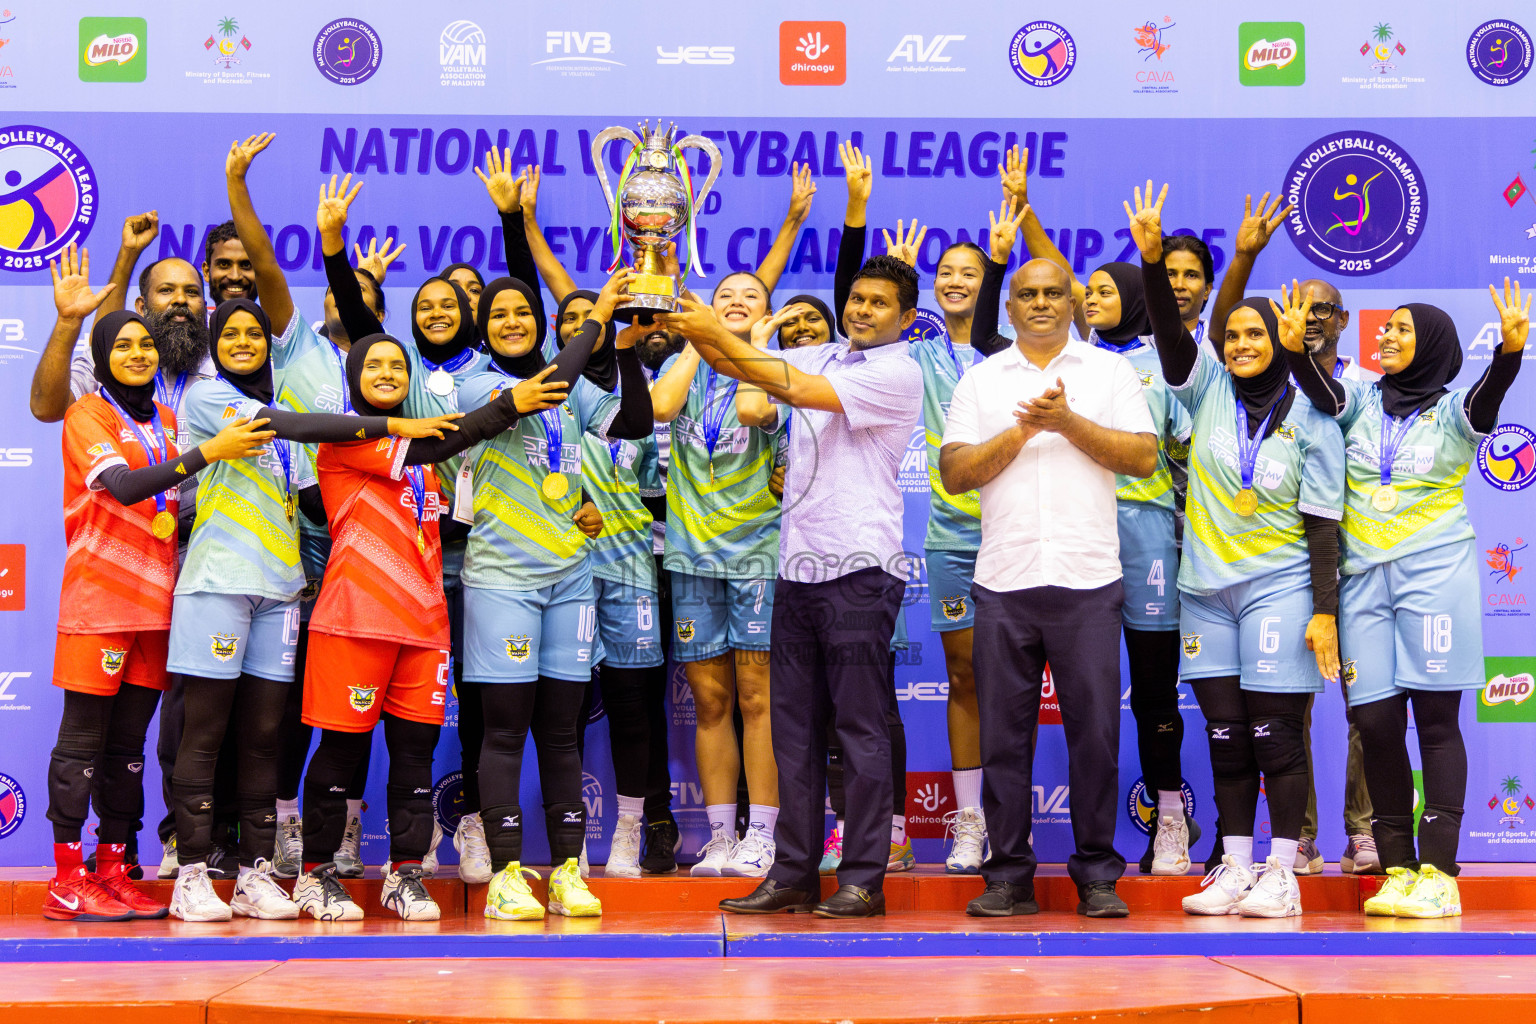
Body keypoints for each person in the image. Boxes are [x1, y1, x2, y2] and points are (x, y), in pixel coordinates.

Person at [165, 298, 460, 923]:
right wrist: (397, 428)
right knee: (220, 734)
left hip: (317, 595)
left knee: (280, 740)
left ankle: (276, 874)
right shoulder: (223, 404)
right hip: (264, 592)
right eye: (232, 333)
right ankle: (210, 872)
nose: (245, 341)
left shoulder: (399, 452)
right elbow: (303, 430)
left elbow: (320, 505)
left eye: (254, 333)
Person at [658, 253, 922, 919]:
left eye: (877, 303)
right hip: (795, 568)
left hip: (862, 571)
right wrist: (704, 330)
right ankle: (793, 873)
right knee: (793, 732)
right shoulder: (828, 355)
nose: (861, 310)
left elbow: (794, 391)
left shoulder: (898, 371)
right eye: (856, 298)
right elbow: (741, 370)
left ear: (907, 319)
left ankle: (862, 879)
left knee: (860, 731)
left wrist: (710, 327)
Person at [1128, 182, 1345, 920]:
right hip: (1204, 590)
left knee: (1274, 730)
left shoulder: (1315, 414)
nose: (1243, 344)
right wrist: (1153, 264)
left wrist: (1324, 612)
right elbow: (1169, 333)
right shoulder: (1205, 391)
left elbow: (1323, 526)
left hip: (1279, 587)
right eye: (1234, 336)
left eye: (1258, 334)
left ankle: (1283, 873)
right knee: (1224, 736)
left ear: (1286, 340)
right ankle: (1235, 868)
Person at [1279, 279, 1527, 918]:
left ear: (1433, 347)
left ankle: (1440, 872)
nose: (1385, 336)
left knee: (1437, 725)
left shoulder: (1450, 414)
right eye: (1384, 327)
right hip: (1364, 588)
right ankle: (1395, 870)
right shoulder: (1359, 397)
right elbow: (1320, 390)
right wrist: (1295, 353)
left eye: (1401, 329)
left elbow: (1485, 400)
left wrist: (1507, 355)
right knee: (1379, 725)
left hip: (1434, 579)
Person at [295, 334, 549, 921]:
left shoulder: (421, 463)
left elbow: (442, 522)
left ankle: (405, 873)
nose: (387, 372)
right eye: (374, 365)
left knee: (415, 754)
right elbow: (444, 442)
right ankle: (315, 873)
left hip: (425, 625)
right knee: (342, 750)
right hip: (356, 621)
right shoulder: (346, 438)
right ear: (354, 376)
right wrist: (510, 404)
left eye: (397, 365)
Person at [228, 143, 428, 881]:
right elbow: (268, 269)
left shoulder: (393, 373)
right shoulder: (301, 348)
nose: (349, 307)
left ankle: (346, 837)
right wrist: (236, 186)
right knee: (292, 699)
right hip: (301, 536)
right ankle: (286, 827)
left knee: (372, 709)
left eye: (367, 299)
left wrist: (350, 263)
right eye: (344, 293)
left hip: (382, 545)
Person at [938, 252, 1157, 919]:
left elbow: (1143, 457)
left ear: (1072, 304)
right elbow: (954, 473)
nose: (1040, 302)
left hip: (1089, 578)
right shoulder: (981, 379)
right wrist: (1026, 428)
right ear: (1009, 308)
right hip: (1004, 580)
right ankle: (1008, 876)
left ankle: (1096, 874)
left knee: (1095, 735)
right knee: (1004, 737)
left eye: (1053, 293)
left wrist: (1068, 423)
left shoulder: (1110, 371)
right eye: (1027, 294)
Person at [42, 309, 274, 922]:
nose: (139, 354)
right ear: (103, 356)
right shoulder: (87, 413)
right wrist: (208, 452)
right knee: (83, 741)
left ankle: (114, 867)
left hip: (157, 603)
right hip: (99, 601)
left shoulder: (169, 419)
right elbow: (120, 485)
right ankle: (67, 876)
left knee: (128, 749)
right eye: (122, 346)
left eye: (145, 344)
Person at [458, 265, 654, 921]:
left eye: (522, 312)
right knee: (506, 730)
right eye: (499, 314)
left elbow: (630, 423)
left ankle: (569, 870)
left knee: (563, 733)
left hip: (572, 576)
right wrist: (598, 316)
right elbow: (550, 387)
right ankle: (508, 874)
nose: (512, 321)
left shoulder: (570, 393)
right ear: (484, 328)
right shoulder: (478, 382)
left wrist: (623, 351)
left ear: (539, 324)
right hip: (503, 580)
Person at [1080, 259, 1199, 875]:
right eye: (1088, 290)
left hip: (1148, 537)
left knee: (1154, 692)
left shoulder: (1167, 367)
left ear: (1130, 298)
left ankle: (1172, 823)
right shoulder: (1070, 362)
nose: (1090, 298)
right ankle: (1091, 842)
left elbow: (1191, 455)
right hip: (1079, 536)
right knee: (1088, 698)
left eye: (1104, 290)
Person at [1290, 277, 1380, 876]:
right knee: (1289, 706)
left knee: (1366, 708)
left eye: (1323, 308)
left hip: (1364, 564)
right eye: (1301, 308)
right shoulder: (1272, 384)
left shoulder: (1370, 387)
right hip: (1290, 564)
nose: (1313, 317)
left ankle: (1364, 832)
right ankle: (1299, 837)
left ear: (1343, 320)